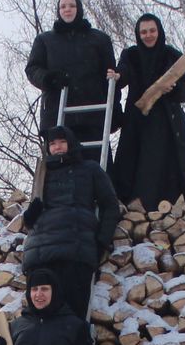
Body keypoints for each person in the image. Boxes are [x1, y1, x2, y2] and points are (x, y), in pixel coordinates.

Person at [22, 126, 121, 319]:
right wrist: (30, 214)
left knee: (73, 317)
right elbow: (29, 222)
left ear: (71, 143)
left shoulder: (89, 169)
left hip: (74, 252)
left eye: (62, 142)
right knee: (39, 317)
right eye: (52, 143)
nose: (57, 147)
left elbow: (110, 205)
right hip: (40, 255)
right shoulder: (42, 172)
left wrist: (101, 241)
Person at [112, 13, 185, 212]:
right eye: (143, 32)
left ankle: (172, 211)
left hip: (168, 124)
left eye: (152, 31)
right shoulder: (131, 55)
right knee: (137, 170)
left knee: (169, 169)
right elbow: (123, 73)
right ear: (138, 34)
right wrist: (117, 75)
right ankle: (135, 212)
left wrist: (174, 89)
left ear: (159, 31)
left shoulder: (172, 55)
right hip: (138, 124)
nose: (148, 35)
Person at [25, 0, 117, 156]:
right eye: (63, 6)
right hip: (57, 114)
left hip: (93, 115)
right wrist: (50, 79)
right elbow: (32, 69)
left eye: (72, 6)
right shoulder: (45, 40)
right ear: (58, 10)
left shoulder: (99, 39)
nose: (67, 9)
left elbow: (111, 78)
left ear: (79, 9)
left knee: (96, 166)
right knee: (61, 167)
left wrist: (115, 112)